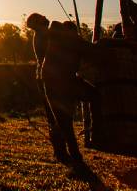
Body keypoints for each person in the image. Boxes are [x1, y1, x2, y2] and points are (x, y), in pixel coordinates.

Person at [42, 19, 95, 171]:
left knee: (93, 96)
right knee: (64, 121)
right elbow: (53, 24)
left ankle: (94, 132)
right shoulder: (56, 37)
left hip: (69, 82)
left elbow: (92, 51)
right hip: (54, 84)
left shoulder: (75, 42)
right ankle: (72, 155)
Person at [26, 13, 70, 164]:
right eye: (42, 18)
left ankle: (61, 151)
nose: (45, 17)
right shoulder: (43, 36)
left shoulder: (42, 35)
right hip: (49, 78)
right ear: (38, 23)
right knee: (55, 116)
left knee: (56, 116)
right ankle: (61, 151)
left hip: (46, 77)